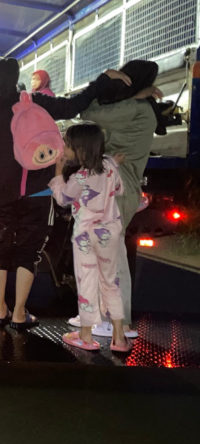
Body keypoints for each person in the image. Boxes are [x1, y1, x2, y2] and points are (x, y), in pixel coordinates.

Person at [0, 57, 130, 330]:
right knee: (28, 253)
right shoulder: (36, 103)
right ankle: (19, 312)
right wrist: (103, 80)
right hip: (39, 193)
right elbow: (73, 106)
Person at [73, 59, 163, 339]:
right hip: (117, 186)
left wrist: (103, 81)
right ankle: (104, 316)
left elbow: (88, 111)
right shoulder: (139, 106)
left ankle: (117, 322)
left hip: (117, 187)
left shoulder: (136, 109)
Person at [49, 123, 131, 351]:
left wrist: (57, 174)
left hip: (85, 236)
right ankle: (119, 337)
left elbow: (63, 198)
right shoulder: (110, 167)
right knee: (110, 282)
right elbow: (119, 189)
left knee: (87, 281)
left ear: (81, 149)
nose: (64, 149)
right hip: (110, 234)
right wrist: (114, 162)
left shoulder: (80, 177)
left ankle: (86, 336)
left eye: (67, 145)